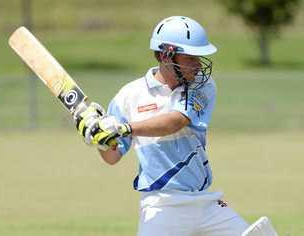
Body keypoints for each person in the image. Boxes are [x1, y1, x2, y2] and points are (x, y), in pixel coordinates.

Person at [75, 16, 250, 236]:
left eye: (199, 57)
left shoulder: (202, 85)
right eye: (190, 57)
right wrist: (100, 140)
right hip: (161, 205)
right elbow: (113, 157)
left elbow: (175, 121)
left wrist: (124, 128)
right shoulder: (127, 97)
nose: (198, 65)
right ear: (166, 54)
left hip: (205, 202)